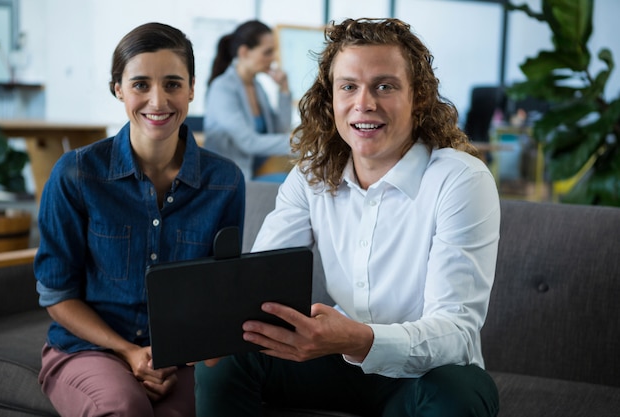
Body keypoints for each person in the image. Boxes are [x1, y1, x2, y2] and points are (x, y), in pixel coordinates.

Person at [195, 17, 500, 417]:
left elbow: (456, 332)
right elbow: (257, 286)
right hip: (337, 360)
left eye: (384, 86)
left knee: (458, 396)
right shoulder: (311, 175)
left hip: (427, 373)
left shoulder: (459, 179)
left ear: (419, 98)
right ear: (331, 99)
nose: (364, 103)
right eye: (349, 87)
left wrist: (360, 339)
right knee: (226, 362)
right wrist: (217, 335)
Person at [34, 22, 244, 417]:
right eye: (141, 84)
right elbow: (57, 295)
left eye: (173, 84)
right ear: (118, 89)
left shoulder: (225, 181)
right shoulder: (75, 174)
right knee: (124, 407)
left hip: (180, 357)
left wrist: (181, 357)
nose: (158, 100)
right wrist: (131, 352)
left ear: (192, 88)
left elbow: (221, 293)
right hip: (88, 349)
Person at [204, 20, 293, 182]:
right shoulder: (222, 88)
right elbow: (248, 142)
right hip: (230, 181)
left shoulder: (257, 87)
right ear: (244, 52)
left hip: (254, 175)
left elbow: (280, 130)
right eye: (267, 52)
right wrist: (302, 145)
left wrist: (284, 90)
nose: (273, 59)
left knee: (304, 183)